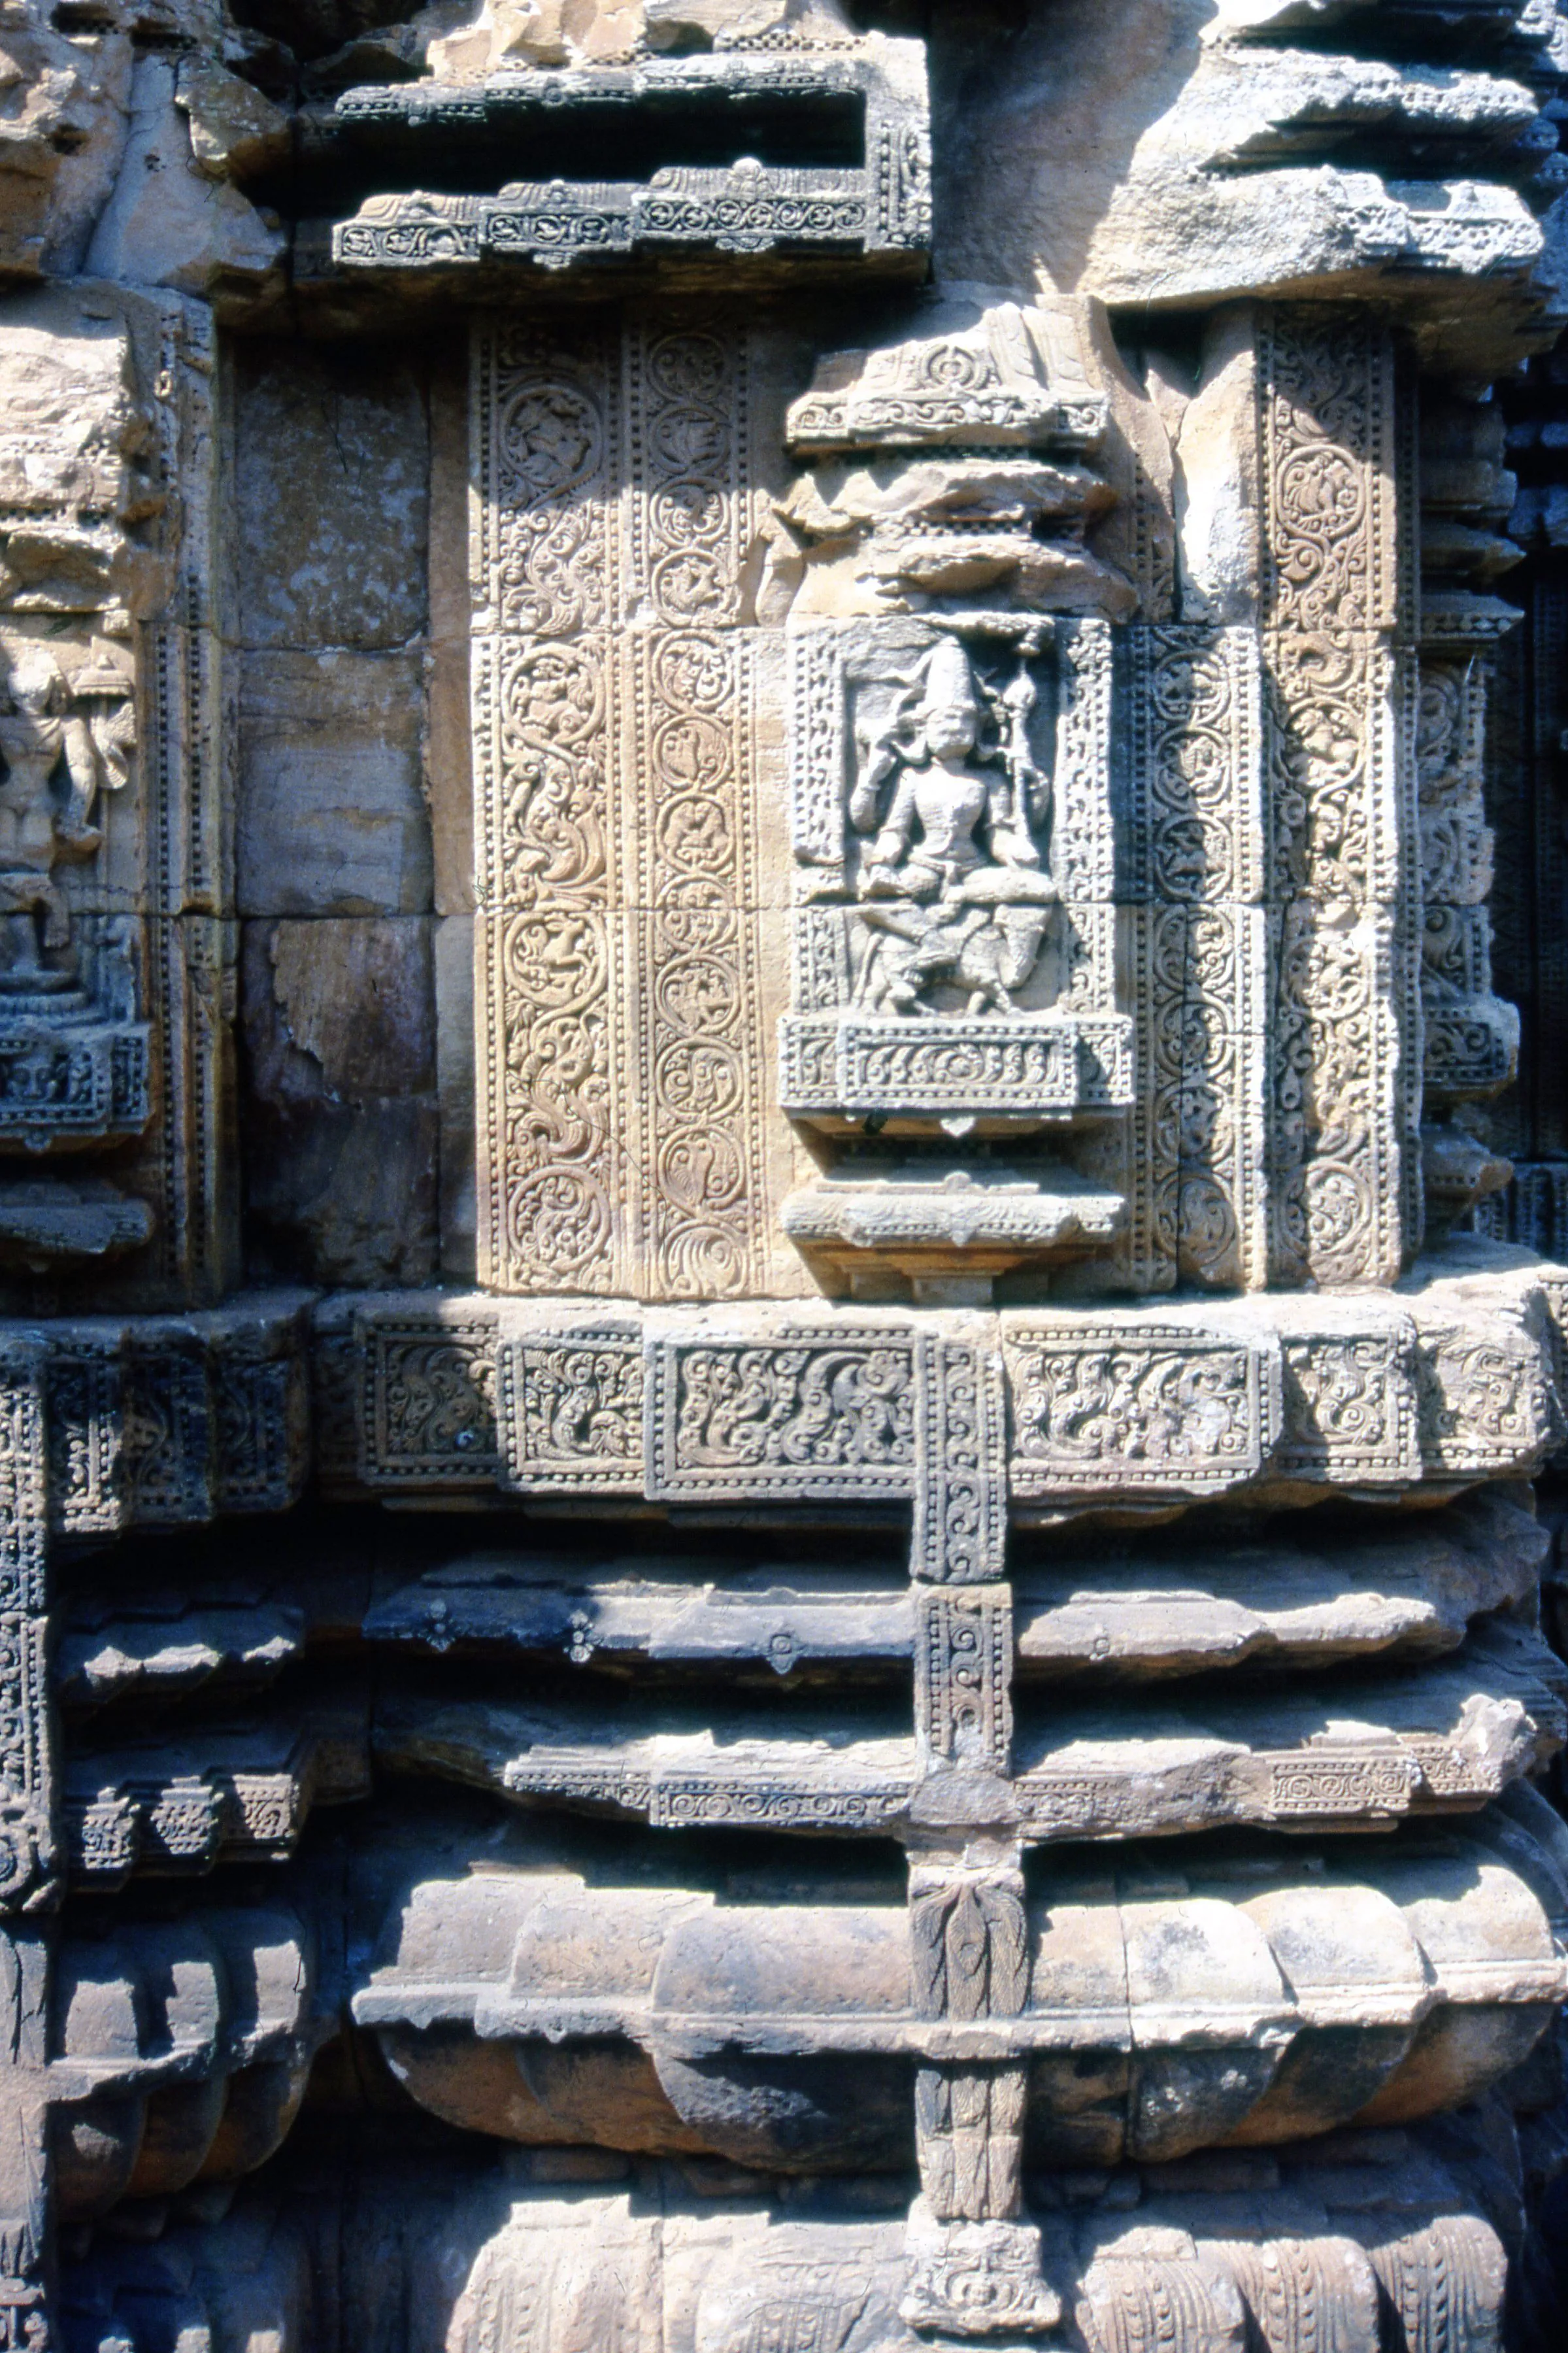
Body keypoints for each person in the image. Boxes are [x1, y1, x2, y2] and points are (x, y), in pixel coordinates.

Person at [850, 636, 1055, 1015]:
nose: (954, 730)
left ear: (978, 729)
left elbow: (998, 835)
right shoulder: (913, 777)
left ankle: (1013, 967)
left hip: (974, 871)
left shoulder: (989, 781)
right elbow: (894, 831)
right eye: (943, 721)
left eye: (963, 722)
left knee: (1038, 888)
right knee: (873, 895)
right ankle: (929, 939)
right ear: (923, 729)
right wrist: (883, 861)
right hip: (925, 867)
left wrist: (1014, 851)